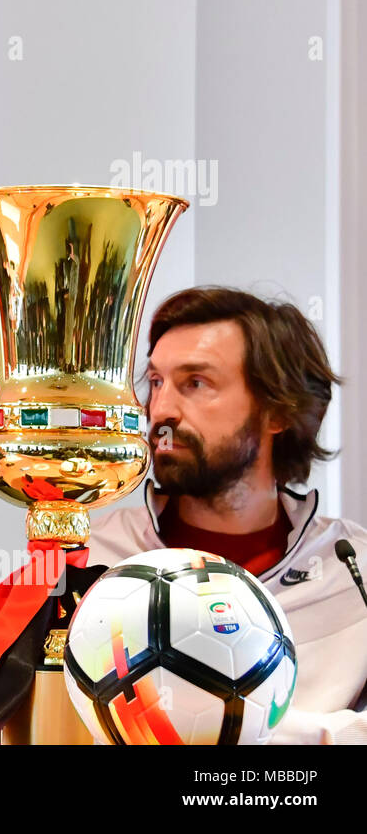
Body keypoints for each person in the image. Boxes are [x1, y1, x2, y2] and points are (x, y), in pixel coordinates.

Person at [87, 286, 367, 744]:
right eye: (156, 382)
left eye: (195, 383)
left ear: (277, 410)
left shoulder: (353, 570)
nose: (161, 410)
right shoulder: (91, 557)